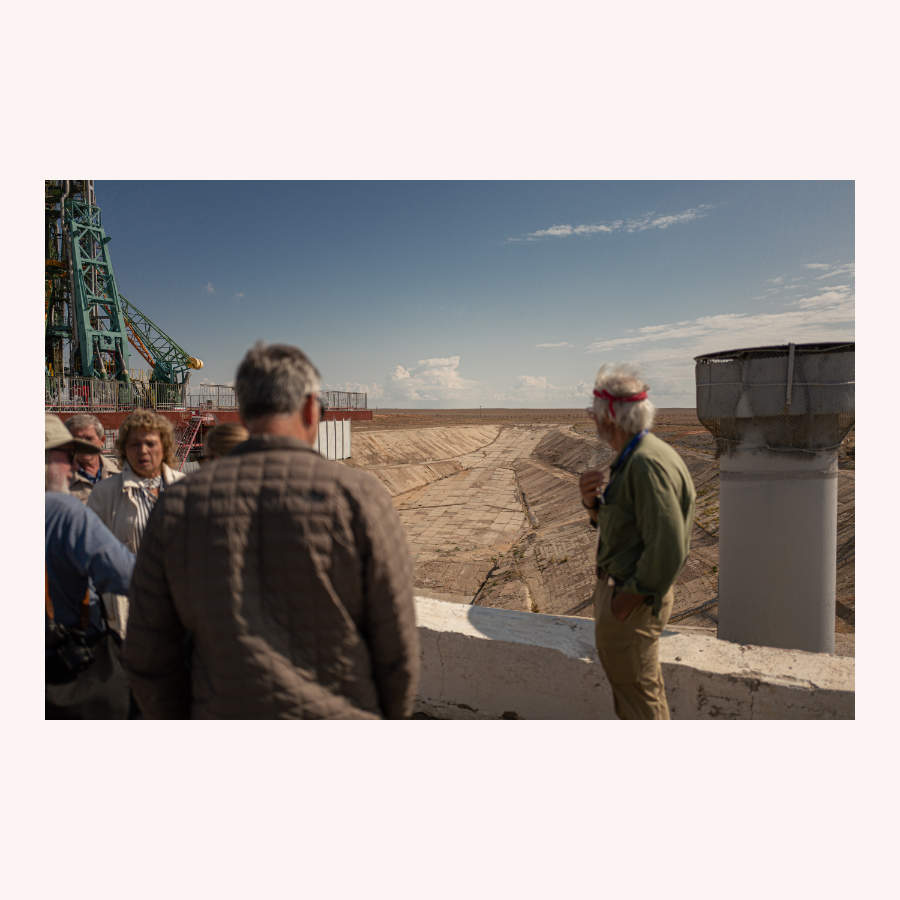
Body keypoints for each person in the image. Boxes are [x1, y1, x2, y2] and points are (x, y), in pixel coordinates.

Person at [123, 342, 420, 719]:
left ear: (244, 412)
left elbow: (147, 652)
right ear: (312, 409)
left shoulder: (178, 504)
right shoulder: (362, 498)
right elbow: (398, 649)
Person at [579, 365, 695, 720]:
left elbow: (669, 545)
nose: (592, 420)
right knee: (632, 693)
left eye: (595, 414)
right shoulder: (635, 455)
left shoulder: (646, 463)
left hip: (633, 599)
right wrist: (592, 504)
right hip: (625, 595)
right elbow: (627, 528)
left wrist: (627, 600)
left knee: (641, 698)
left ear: (610, 418)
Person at [45, 414, 135, 718]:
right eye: (67, 457)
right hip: (69, 666)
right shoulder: (64, 510)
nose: (72, 468)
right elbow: (126, 576)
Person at [87, 409, 184, 638]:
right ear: (123, 449)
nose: (142, 451)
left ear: (165, 446)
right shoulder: (105, 493)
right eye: (134, 444)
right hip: (128, 612)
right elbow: (90, 555)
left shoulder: (185, 487)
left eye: (150, 443)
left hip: (177, 608)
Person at [64, 413, 120, 503]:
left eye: (89, 439)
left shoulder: (120, 470)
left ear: (102, 441)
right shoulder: (59, 478)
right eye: (77, 439)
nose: (83, 444)